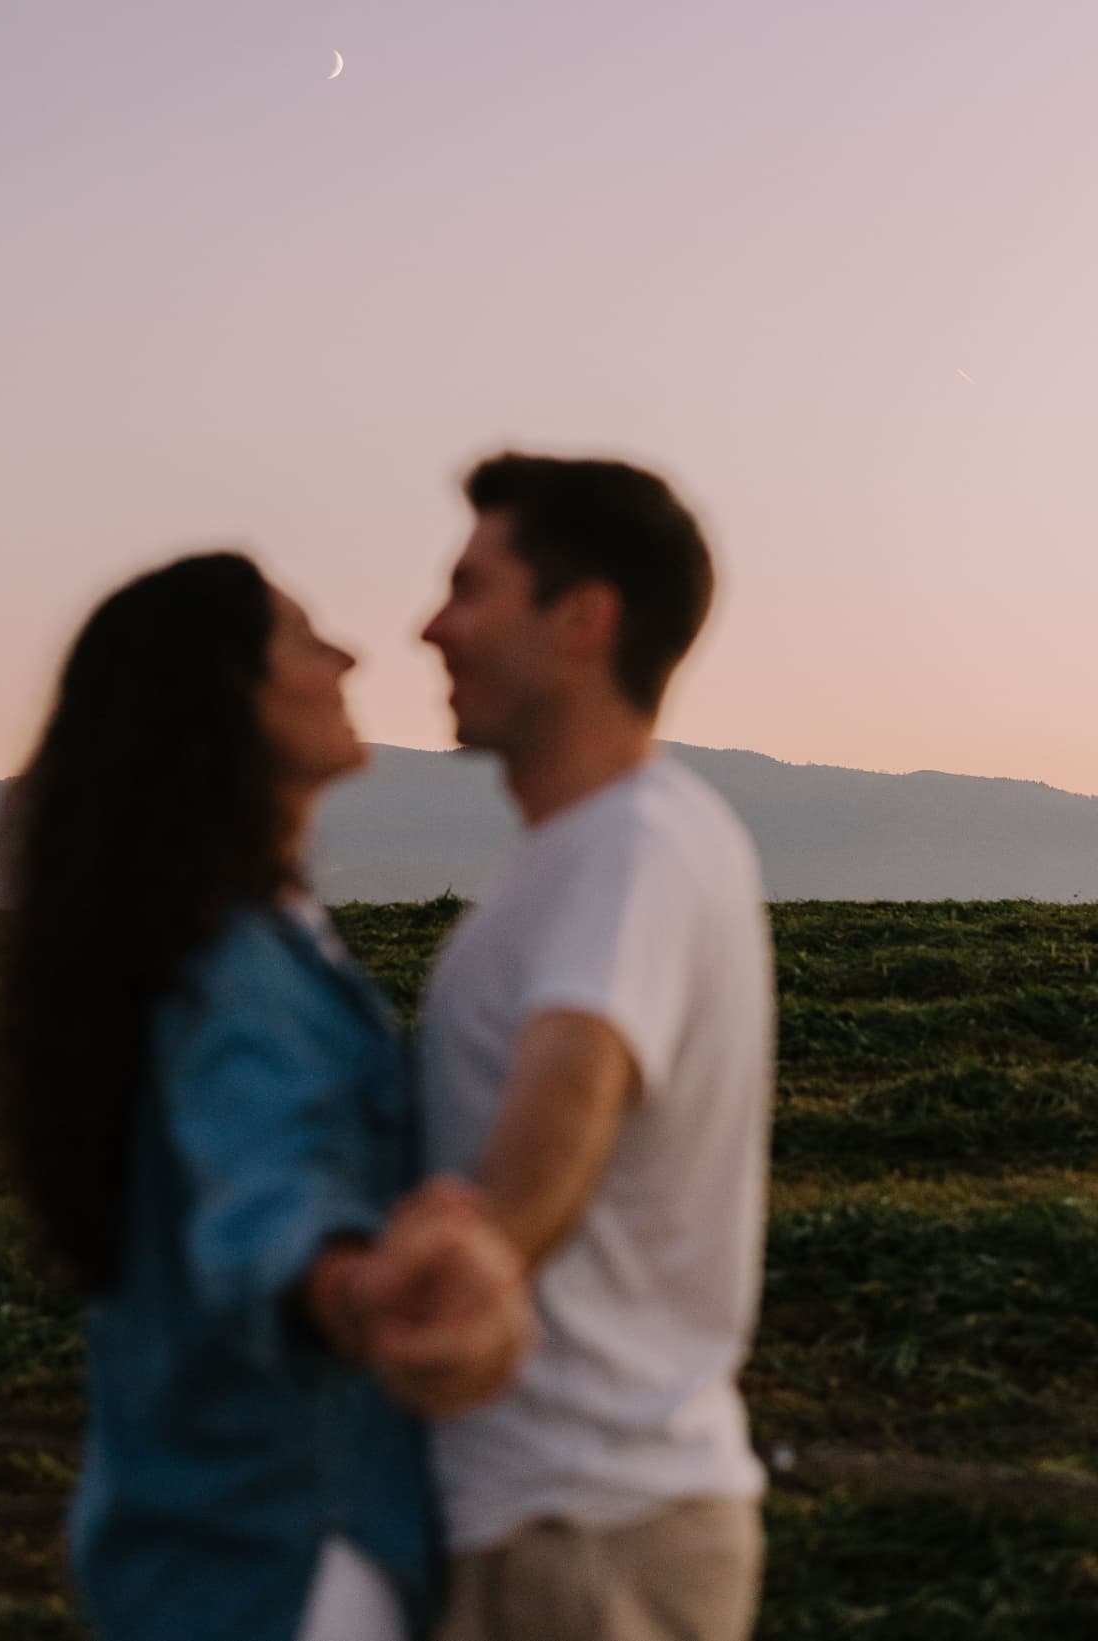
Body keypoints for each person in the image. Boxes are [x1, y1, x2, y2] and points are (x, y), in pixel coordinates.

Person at [0, 551, 531, 1641]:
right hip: (285, 1561)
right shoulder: (232, 965)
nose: (348, 656)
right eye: (301, 635)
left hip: (208, 1548)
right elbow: (265, 1191)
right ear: (224, 699)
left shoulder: (212, 937)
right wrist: (358, 1289)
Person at [415, 453, 775, 1641]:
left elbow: (568, 1106)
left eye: (472, 589)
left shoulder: (630, 849)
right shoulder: (597, 849)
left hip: (580, 1545)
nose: (433, 627)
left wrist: (458, 1270)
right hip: (575, 1526)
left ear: (584, 620)